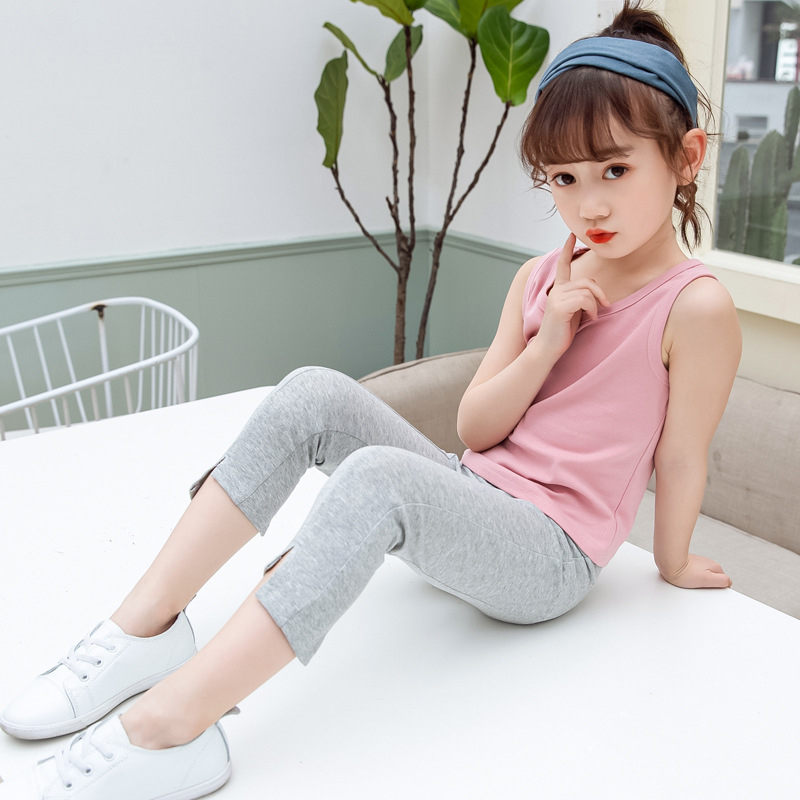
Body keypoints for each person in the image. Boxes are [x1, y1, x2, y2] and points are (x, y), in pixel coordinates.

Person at [0, 2, 741, 798]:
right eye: (564, 178)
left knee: (378, 478)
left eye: (615, 171)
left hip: (550, 555)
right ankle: (144, 626)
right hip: (472, 493)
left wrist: (672, 563)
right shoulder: (540, 279)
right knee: (312, 392)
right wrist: (547, 343)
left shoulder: (694, 307)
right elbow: (476, 429)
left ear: (686, 157)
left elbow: (680, 455)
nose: (587, 205)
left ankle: (172, 725)